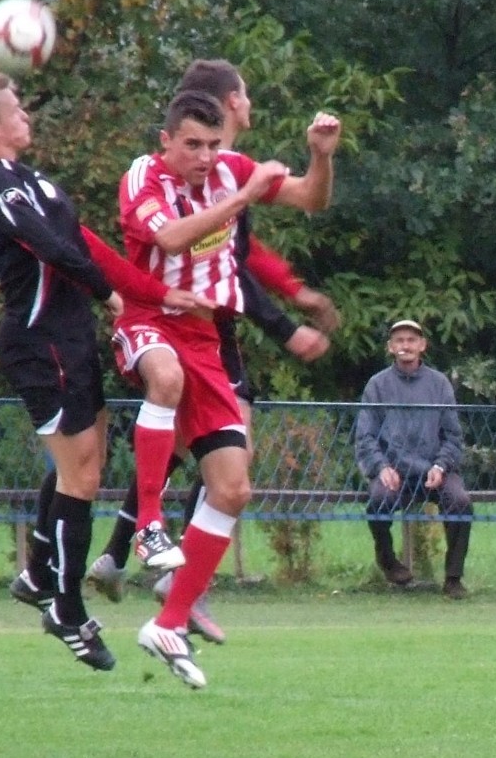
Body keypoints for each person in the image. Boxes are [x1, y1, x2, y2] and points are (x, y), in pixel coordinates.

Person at [0, 71, 206, 672]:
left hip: (68, 338)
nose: (26, 117)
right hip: (39, 341)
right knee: (80, 476)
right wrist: (109, 295)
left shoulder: (28, 178)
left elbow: (82, 241)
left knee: (84, 467)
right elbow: (52, 249)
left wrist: (148, 293)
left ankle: (39, 573)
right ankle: (64, 607)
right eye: (17, 110)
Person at [86, 59, 340, 643]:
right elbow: (171, 237)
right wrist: (247, 196)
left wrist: (321, 156)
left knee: (233, 484)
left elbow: (309, 199)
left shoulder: (232, 170)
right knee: (165, 381)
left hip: (208, 335)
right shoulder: (144, 177)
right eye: (192, 145)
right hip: (152, 317)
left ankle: (170, 615)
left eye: (210, 146)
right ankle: (147, 527)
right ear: (167, 141)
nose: (204, 157)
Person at [354, 319, 473, 599]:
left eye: (411, 340)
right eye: (399, 341)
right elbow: (365, 436)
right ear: (390, 347)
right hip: (394, 470)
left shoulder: (439, 384)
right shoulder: (377, 385)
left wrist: (441, 465)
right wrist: (381, 467)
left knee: (460, 501)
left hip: (435, 468)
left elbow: (453, 436)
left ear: (422, 345)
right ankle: (387, 560)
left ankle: (453, 577)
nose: (405, 346)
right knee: (378, 501)